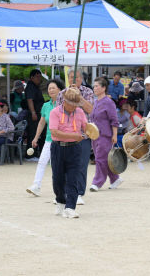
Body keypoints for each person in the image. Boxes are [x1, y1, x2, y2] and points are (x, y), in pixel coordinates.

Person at [58, 69, 95, 204]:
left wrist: (78, 97)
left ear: (81, 78)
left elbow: (90, 109)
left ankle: (79, 192)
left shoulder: (88, 92)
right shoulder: (62, 93)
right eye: (71, 77)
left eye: (77, 77)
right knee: (65, 164)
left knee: (81, 164)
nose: (74, 80)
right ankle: (66, 192)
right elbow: (59, 112)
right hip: (66, 134)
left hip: (83, 134)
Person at [49, 87, 87, 218]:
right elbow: (54, 132)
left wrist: (91, 131)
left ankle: (70, 207)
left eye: (77, 105)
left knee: (73, 178)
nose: (75, 107)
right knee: (58, 178)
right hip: (58, 148)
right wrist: (74, 136)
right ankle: (60, 200)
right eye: (73, 105)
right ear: (65, 102)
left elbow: (86, 127)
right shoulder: (55, 112)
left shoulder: (80, 112)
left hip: (75, 148)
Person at [27, 78, 64, 197]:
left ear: (60, 89)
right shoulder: (46, 105)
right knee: (42, 162)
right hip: (49, 139)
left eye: (53, 88)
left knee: (58, 166)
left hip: (62, 140)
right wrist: (35, 138)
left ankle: (61, 190)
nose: (51, 90)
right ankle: (36, 186)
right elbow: (42, 123)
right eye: (49, 88)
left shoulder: (65, 105)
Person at [90, 77, 123, 191]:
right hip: (94, 136)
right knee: (104, 159)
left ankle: (97, 183)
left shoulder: (109, 102)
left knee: (99, 159)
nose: (94, 88)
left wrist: (114, 135)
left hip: (105, 135)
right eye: (94, 86)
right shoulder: (95, 102)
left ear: (103, 88)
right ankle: (115, 179)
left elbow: (114, 120)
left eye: (97, 86)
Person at [24, 69, 45, 160]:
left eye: (40, 77)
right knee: (32, 134)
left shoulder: (36, 86)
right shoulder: (30, 86)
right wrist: (33, 112)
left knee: (39, 134)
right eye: (37, 77)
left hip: (39, 113)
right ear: (32, 77)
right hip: (34, 113)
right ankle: (30, 155)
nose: (39, 79)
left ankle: (35, 153)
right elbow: (30, 100)